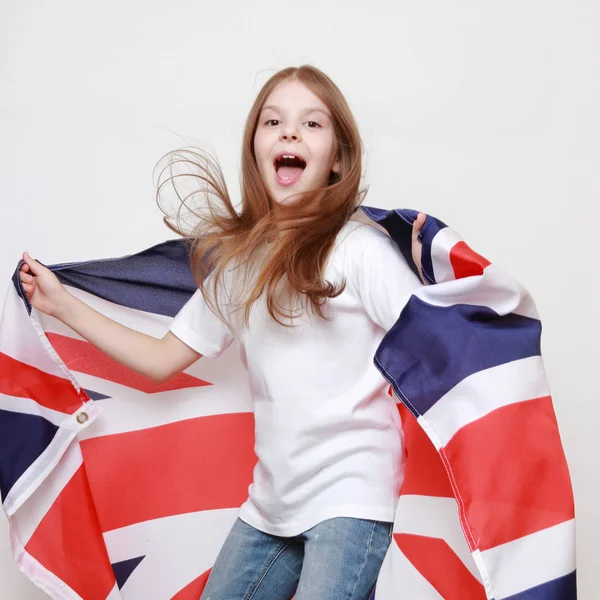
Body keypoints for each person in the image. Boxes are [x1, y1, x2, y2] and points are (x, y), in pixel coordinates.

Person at [19, 65, 427, 600]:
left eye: (311, 124)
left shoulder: (359, 250)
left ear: (339, 159)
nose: (289, 133)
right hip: (272, 504)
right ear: (255, 147)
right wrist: (63, 305)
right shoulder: (239, 266)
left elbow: (432, 344)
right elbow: (163, 357)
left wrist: (425, 276)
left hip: (352, 502)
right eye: (273, 121)